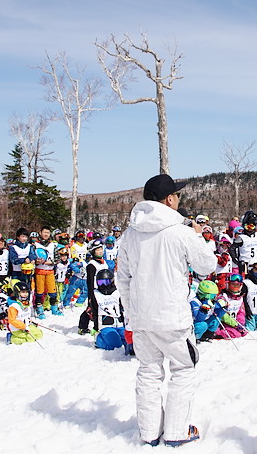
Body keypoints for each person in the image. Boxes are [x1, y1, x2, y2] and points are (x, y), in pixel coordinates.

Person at [117, 174, 217, 447]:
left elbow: (122, 279)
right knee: (183, 369)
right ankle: (176, 431)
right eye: (177, 195)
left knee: (148, 372)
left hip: (141, 318)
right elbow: (207, 266)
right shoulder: (181, 231)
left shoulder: (130, 234)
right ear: (170, 199)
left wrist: (132, 310)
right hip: (172, 317)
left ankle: (149, 433)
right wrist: (200, 238)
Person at [91, 269, 126, 350]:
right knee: (116, 345)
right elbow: (94, 312)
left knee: (128, 341)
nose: (103, 285)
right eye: (100, 282)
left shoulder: (117, 292)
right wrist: (96, 327)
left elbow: (122, 309)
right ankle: (99, 340)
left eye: (106, 282)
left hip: (119, 324)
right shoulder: (96, 294)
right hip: (105, 325)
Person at [6, 281, 43, 345]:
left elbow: (26, 315)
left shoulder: (26, 304)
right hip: (17, 329)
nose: (25, 294)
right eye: (23, 292)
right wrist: (23, 326)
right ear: (17, 293)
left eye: (26, 292)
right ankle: (12, 338)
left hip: (27, 326)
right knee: (31, 337)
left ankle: (22, 337)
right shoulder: (14, 306)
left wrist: (30, 321)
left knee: (39, 333)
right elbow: (12, 320)